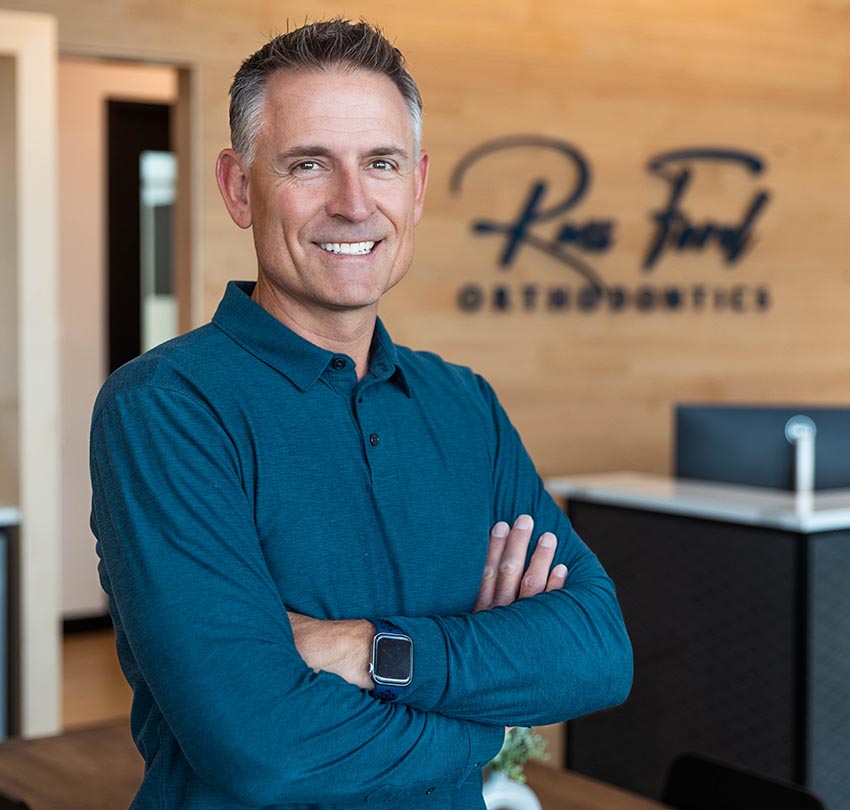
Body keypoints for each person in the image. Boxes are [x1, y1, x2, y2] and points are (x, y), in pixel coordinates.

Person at [89, 19, 632, 810]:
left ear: (416, 186)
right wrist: (485, 724)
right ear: (239, 188)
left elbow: (598, 652)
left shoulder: (464, 405)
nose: (353, 204)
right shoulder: (166, 410)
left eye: (380, 163)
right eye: (308, 164)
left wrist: (370, 649)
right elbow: (265, 750)